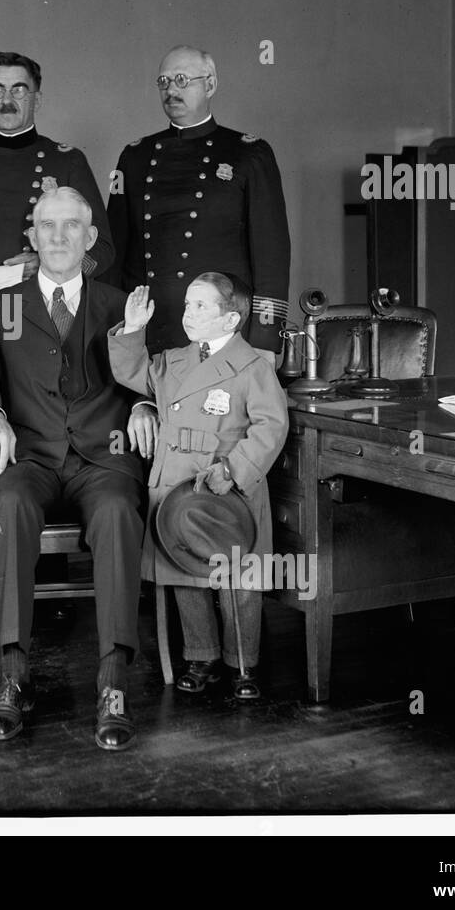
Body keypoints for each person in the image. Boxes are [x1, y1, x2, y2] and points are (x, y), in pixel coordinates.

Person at [0, 186, 156, 751]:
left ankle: (113, 679)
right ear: (30, 236)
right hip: (30, 455)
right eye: (45, 226)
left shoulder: (120, 304)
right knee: (9, 506)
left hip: (104, 457)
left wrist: (148, 404)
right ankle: (11, 673)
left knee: (120, 512)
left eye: (69, 226)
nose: (56, 237)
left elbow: (155, 374)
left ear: (89, 237)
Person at [109, 272, 289, 700]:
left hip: (226, 483)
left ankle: (242, 664)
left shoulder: (254, 365)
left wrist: (236, 470)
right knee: (184, 571)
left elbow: (271, 426)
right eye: (188, 305)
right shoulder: (173, 361)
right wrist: (133, 328)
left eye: (202, 306)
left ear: (231, 320)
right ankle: (201, 656)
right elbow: (131, 371)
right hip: (176, 483)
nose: (189, 314)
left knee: (238, 581)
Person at [107, 45, 291, 357]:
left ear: (210, 85)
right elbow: (114, 250)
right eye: (163, 82)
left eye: (182, 80)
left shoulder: (249, 153)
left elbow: (272, 255)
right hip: (152, 326)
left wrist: (265, 342)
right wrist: (116, 327)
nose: (171, 90)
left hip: (223, 332)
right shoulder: (133, 157)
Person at [0, 51, 115, 291]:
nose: (7, 100)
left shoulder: (67, 161)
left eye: (18, 90)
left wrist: (51, 265)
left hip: (43, 310)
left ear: (37, 100)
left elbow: (102, 248)